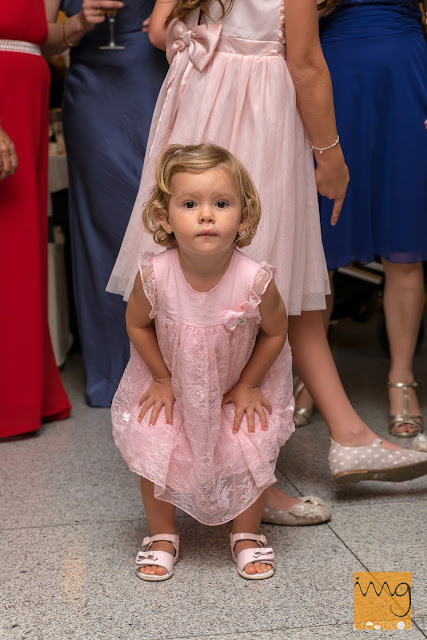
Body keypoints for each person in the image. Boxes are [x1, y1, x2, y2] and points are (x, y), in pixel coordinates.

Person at [108, 0, 427, 524]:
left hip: (199, 107)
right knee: (257, 287)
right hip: (256, 116)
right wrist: (331, 155)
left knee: (244, 289)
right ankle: (249, 480)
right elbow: (304, 62)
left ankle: (342, 435)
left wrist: (208, 47)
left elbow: (159, 31)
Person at [112, 142, 295, 580]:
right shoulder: (155, 274)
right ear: (164, 217)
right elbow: (136, 323)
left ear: (244, 216)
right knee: (158, 447)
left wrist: (250, 384)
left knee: (245, 451)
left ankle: (246, 534)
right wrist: (160, 376)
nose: (206, 215)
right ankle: (161, 534)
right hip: (172, 384)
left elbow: (276, 331)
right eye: (190, 203)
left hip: (234, 385)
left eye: (221, 203)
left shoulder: (255, 279)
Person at [294, 0, 427, 439]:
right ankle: (315, 376)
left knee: (404, 238)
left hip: (404, 74)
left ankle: (401, 379)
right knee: (320, 248)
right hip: (330, 73)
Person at [42, 0, 169, 407]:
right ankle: (113, 371)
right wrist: (77, 22)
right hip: (92, 90)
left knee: (158, 214)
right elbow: (42, 37)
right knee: (101, 221)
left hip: (152, 77)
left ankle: (173, 365)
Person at [0, 0, 71, 439]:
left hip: (26, 94)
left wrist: (76, 24)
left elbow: (38, 30)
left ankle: (26, 390)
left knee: (23, 251)